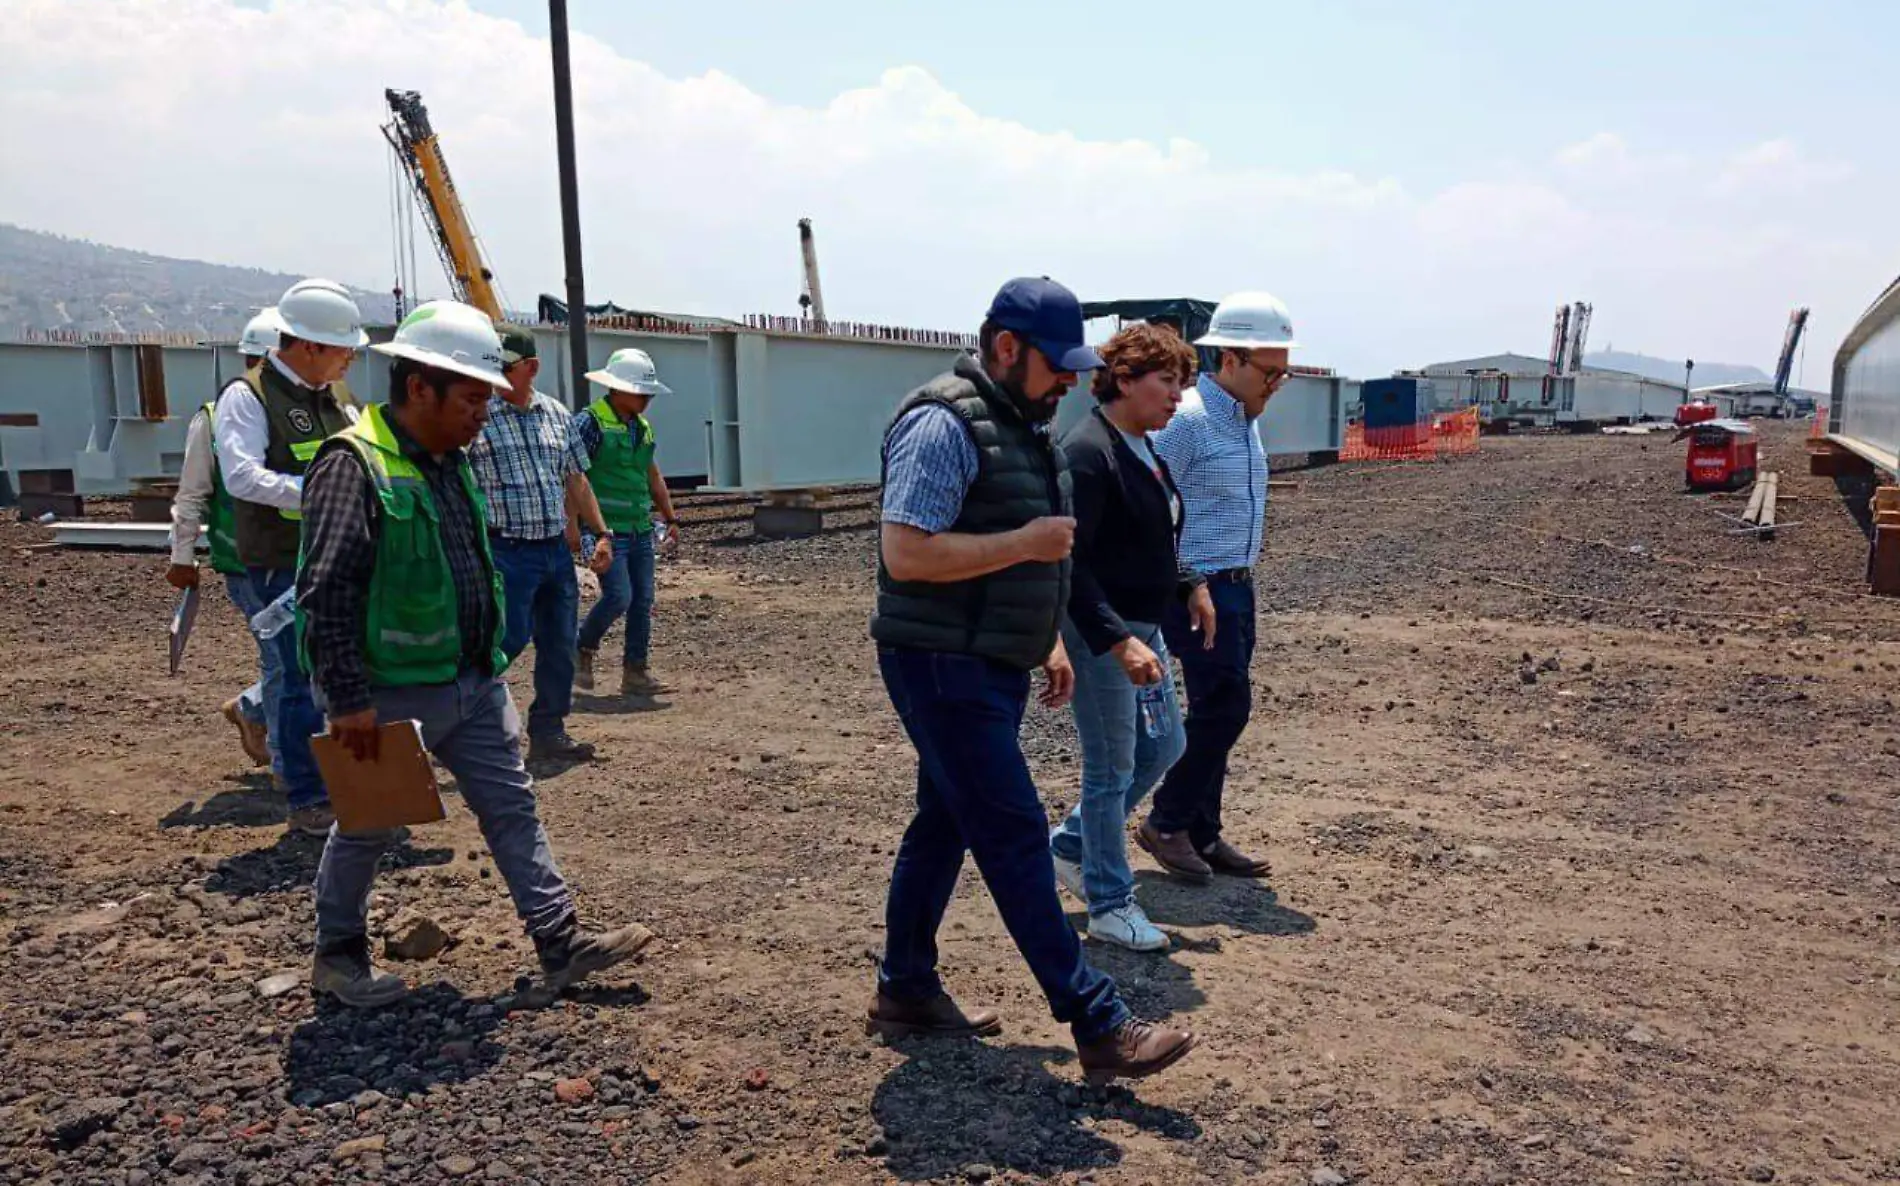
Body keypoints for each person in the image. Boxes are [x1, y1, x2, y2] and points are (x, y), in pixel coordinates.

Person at [866, 276, 1195, 1086]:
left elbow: (1023, 552)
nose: (1070, 384)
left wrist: (1047, 637)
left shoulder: (1022, 424)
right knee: (1013, 830)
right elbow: (905, 553)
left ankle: (905, 988)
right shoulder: (942, 424)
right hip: (939, 660)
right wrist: (1025, 545)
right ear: (1007, 347)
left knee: (944, 823)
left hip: (985, 658)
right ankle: (1099, 1023)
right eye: (1058, 367)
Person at [297, 300, 655, 1008]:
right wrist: (348, 700)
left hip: (470, 680)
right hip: (387, 690)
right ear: (418, 388)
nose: (483, 414)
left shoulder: (450, 462)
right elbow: (327, 590)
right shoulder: (353, 465)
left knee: (512, 805)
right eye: (470, 399)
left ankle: (559, 940)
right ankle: (337, 956)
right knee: (370, 825)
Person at [1048, 323, 1216, 951]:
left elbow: (1154, 536)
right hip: (1104, 638)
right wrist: (1117, 640)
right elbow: (1071, 563)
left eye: (1182, 383)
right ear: (1122, 379)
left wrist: (1189, 582)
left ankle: (1070, 847)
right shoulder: (1088, 453)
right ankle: (1110, 904)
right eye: (1165, 381)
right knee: (1112, 767)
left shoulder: (1143, 447)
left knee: (1165, 746)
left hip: (1143, 631)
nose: (1176, 396)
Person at [1138, 291, 1296, 884]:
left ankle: (1201, 830)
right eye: (1269, 373)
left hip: (1237, 585)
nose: (1276, 385)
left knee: (1217, 707)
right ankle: (1167, 822)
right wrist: (1186, 578)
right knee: (1227, 707)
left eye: (1282, 374)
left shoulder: (1244, 421)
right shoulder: (1187, 422)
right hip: (1196, 589)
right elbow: (1147, 503)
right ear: (1230, 359)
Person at [214, 279, 363, 836]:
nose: (351, 358)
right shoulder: (247, 397)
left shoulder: (338, 397)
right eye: (343, 348)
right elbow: (242, 477)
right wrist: (320, 493)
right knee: (299, 679)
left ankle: (353, 782)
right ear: (308, 345)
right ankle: (308, 796)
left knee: (348, 671)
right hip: (284, 565)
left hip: (341, 555)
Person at [466, 326, 612, 765]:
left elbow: (576, 479)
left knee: (560, 644)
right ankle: (454, 720)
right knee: (503, 640)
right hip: (505, 551)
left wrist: (601, 533)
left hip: (553, 552)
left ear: (531, 367)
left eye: (505, 367)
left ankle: (549, 731)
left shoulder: (556, 414)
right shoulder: (477, 417)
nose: (495, 377)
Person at [167, 307, 291, 771]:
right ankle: (286, 760)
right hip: (246, 564)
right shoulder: (214, 418)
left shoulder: (304, 414)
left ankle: (252, 710)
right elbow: (192, 493)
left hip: (300, 558)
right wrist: (182, 556)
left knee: (301, 656)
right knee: (281, 658)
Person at [572, 348, 681, 698]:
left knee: (642, 600)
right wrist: (573, 527)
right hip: (605, 530)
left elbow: (652, 474)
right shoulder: (590, 423)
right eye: (640, 391)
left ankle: (636, 670)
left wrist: (669, 516)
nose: (647, 398)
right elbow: (572, 477)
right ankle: (581, 646)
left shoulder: (642, 428)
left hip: (638, 528)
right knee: (619, 595)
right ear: (617, 388)